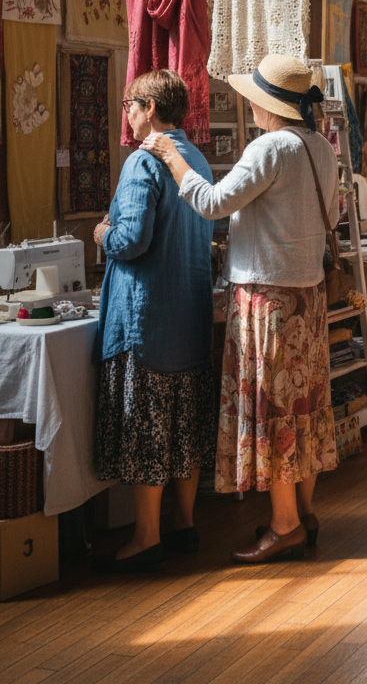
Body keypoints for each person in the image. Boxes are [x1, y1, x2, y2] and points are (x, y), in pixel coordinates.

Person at [142, 55, 339, 564]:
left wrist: (171, 156)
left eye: (252, 97)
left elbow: (210, 203)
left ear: (264, 103)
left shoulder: (269, 148)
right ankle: (303, 511)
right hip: (307, 297)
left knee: (275, 406)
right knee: (304, 406)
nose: (247, 104)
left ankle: (285, 524)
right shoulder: (319, 147)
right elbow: (329, 215)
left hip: (268, 301)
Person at [92, 70, 215, 573]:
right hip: (190, 312)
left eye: (129, 105)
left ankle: (146, 536)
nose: (127, 114)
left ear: (148, 107)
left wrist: (102, 233)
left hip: (149, 318)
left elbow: (133, 240)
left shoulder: (143, 161)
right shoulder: (198, 159)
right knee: (185, 423)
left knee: (147, 426)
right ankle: (183, 523)